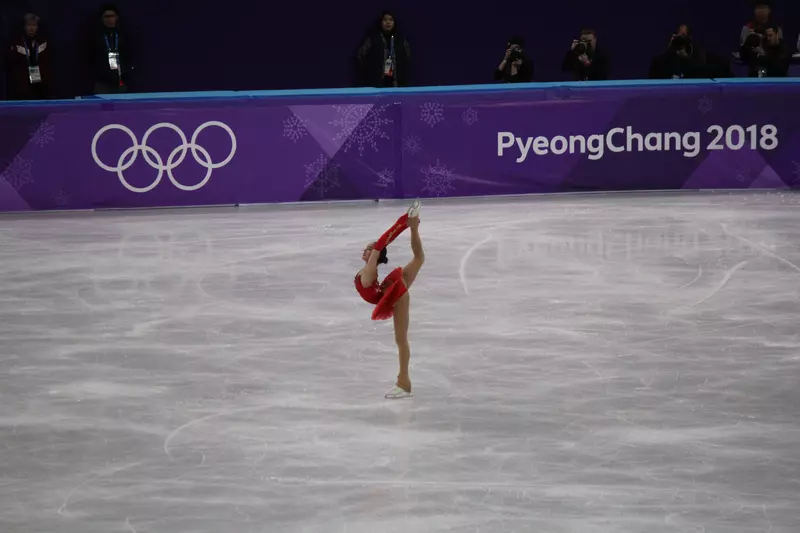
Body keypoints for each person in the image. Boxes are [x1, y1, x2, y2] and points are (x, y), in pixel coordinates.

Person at [354, 200, 424, 399]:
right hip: (389, 289)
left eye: (369, 249)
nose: (365, 250)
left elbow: (382, 241)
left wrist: (403, 221)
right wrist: (411, 226)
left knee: (401, 339)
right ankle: (415, 228)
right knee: (419, 259)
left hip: (396, 296)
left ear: (375, 256)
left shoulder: (369, 271)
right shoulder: (369, 271)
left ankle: (404, 383)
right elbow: (382, 244)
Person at [357, 10, 411, 88]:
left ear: (394, 23)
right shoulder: (372, 39)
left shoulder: (401, 39)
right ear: (381, 22)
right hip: (376, 83)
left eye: (391, 20)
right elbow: (361, 55)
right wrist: (370, 69)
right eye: (385, 20)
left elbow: (407, 57)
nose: (388, 22)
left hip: (397, 83)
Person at [4, 13, 53, 100]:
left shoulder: (43, 42)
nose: (31, 28)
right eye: (28, 25)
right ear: (24, 27)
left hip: (40, 87)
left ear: (37, 27)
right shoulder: (17, 43)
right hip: (21, 88)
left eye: (34, 25)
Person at [89, 4, 133, 94]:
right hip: (102, 82)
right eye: (106, 17)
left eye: (112, 16)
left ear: (117, 17)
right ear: (102, 18)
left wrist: (125, 72)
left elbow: (130, 55)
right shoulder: (94, 36)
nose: (109, 19)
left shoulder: (124, 35)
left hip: (121, 80)